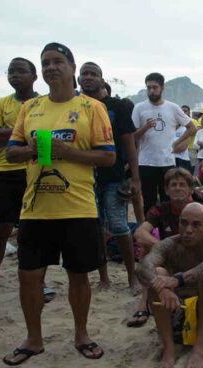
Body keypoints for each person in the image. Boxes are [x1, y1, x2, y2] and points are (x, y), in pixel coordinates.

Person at [2, 43, 115, 364]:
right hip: (35, 208)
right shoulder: (31, 108)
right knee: (29, 275)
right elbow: (11, 152)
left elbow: (108, 156)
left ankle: (82, 334)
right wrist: (35, 149)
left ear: (71, 67)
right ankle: (33, 339)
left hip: (78, 207)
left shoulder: (92, 108)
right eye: (45, 62)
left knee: (78, 275)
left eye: (57, 61)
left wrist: (67, 152)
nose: (51, 67)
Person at [0, 58, 41, 313]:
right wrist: (25, 132)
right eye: (11, 71)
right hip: (5, 172)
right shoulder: (3, 103)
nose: (14, 75)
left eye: (20, 71)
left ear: (34, 76)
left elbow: (46, 134)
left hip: (35, 173)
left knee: (32, 233)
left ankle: (40, 283)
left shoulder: (42, 103)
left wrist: (10, 134)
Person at [137, 203, 203, 368]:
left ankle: (199, 347)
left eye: (196, 225)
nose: (188, 230)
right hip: (175, 322)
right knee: (156, 274)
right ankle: (169, 348)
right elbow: (143, 267)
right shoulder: (168, 245)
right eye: (184, 223)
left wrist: (178, 280)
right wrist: (162, 288)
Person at [78, 62, 141, 293]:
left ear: (102, 80)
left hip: (114, 176)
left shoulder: (117, 106)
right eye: (84, 74)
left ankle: (132, 276)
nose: (88, 78)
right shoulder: (75, 106)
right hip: (84, 177)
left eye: (93, 74)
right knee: (95, 229)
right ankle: (103, 277)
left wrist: (135, 178)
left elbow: (130, 144)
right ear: (78, 78)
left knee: (118, 225)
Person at [132, 168, 203, 326]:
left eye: (182, 184)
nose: (178, 188)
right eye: (173, 185)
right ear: (166, 190)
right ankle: (143, 303)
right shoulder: (160, 209)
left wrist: (191, 241)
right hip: (171, 259)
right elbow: (140, 233)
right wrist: (164, 246)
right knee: (146, 248)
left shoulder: (200, 208)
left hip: (194, 257)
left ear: (191, 189)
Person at [132, 72, 196, 214]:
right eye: (148, 88)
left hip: (167, 162)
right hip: (146, 162)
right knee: (148, 201)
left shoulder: (172, 107)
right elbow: (133, 136)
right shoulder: (139, 108)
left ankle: (167, 231)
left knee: (168, 201)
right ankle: (151, 232)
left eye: (154, 87)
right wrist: (145, 127)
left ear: (162, 88)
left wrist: (176, 143)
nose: (151, 91)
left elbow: (192, 128)